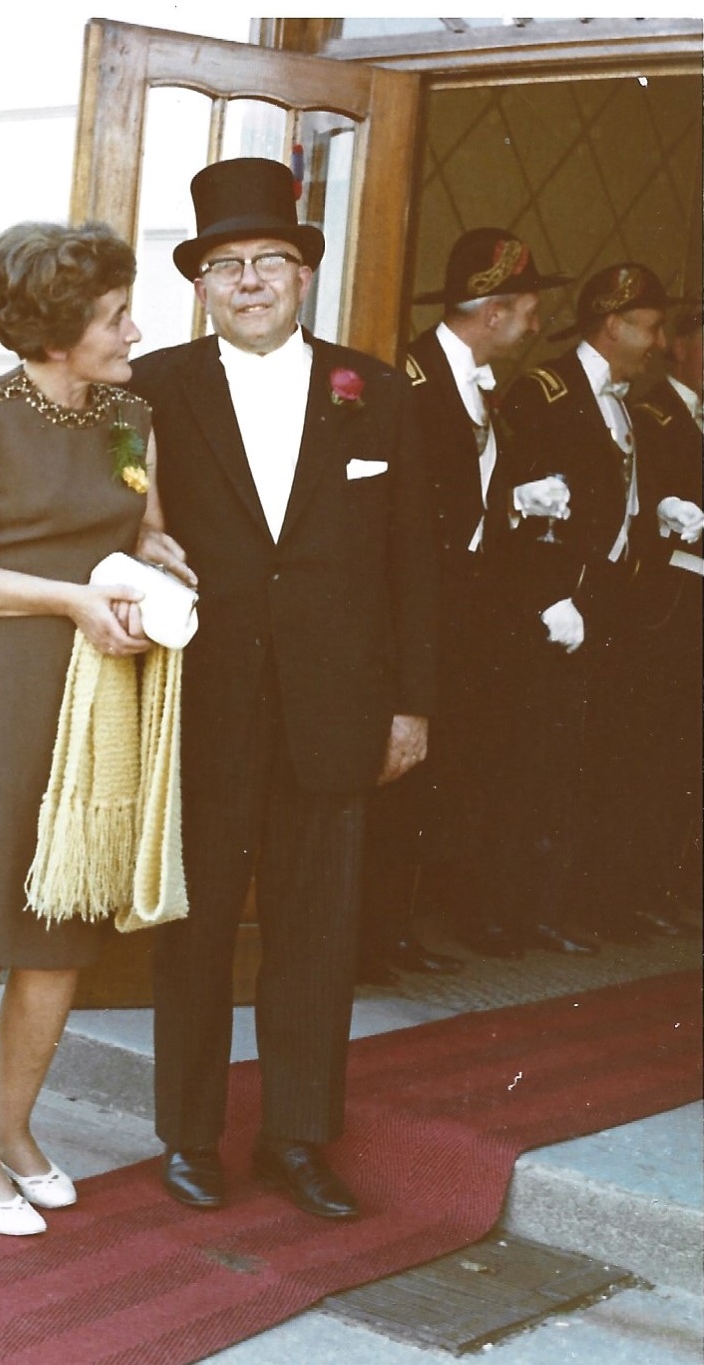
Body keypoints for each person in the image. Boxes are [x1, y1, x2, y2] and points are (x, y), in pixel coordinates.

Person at [128, 158, 436, 1220]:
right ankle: (189, 1137)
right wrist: (138, 541)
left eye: (270, 259)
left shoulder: (375, 390)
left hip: (334, 707)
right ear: (201, 283)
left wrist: (411, 706)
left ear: (304, 274)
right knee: (197, 927)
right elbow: (114, 511)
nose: (249, 279)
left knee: (315, 931)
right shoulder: (151, 388)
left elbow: (414, 560)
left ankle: (298, 1138)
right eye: (226, 264)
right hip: (201, 702)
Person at [0, 221, 192, 1236]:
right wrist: (66, 600)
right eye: (115, 316)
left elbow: (142, 524)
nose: (135, 331)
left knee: (60, 927)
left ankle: (14, 1131)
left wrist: (159, 555)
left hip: (95, 694)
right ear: (57, 334)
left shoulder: (131, 417)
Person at [360, 227, 574, 976]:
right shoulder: (410, 377)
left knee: (436, 773)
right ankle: (370, 936)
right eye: (527, 310)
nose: (536, 324)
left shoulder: (482, 386)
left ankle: (394, 929)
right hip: (411, 608)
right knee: (395, 771)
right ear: (492, 312)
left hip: (467, 611)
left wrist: (513, 503)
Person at [499, 263, 702, 944]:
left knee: (585, 755)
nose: (657, 343)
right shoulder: (547, 390)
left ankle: (553, 908)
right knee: (535, 757)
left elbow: (616, 502)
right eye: (648, 328)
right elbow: (521, 504)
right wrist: (550, 596)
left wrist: (657, 517)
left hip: (609, 601)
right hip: (558, 606)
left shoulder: (619, 400)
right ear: (613, 325)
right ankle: (509, 912)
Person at [628, 307, 703, 925]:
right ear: (679, 346)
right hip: (671, 603)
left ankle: (674, 884)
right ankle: (642, 888)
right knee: (658, 748)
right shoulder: (651, 413)